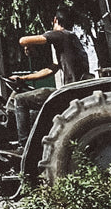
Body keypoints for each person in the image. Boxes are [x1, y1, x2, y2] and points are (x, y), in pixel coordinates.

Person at [8, 7, 91, 138]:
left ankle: (22, 145)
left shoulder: (59, 34)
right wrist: (24, 78)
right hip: (74, 91)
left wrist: (28, 45)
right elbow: (51, 69)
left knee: (20, 100)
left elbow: (23, 40)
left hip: (68, 93)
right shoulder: (71, 39)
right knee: (35, 106)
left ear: (55, 20)